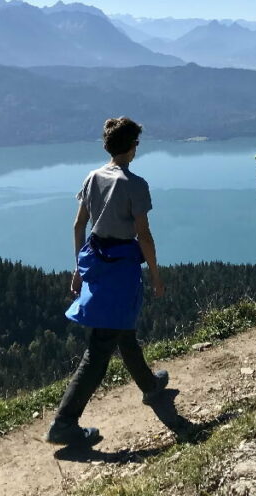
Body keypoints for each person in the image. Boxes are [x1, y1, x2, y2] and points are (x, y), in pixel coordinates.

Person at [45, 117, 168, 446]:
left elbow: (77, 227)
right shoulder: (135, 184)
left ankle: (150, 386)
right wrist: (156, 276)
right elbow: (144, 236)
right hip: (121, 269)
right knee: (101, 347)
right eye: (136, 144)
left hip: (97, 263)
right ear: (132, 147)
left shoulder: (92, 177)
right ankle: (64, 422)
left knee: (122, 330)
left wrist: (79, 268)